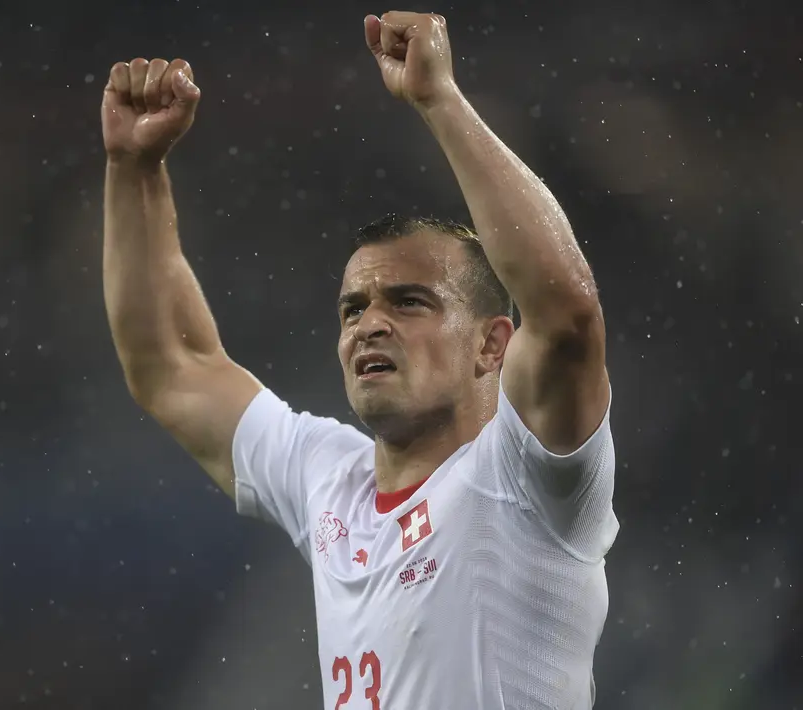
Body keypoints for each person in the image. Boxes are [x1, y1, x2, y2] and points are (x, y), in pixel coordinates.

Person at [101, 10, 617, 710]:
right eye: (353, 308)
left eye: (408, 302)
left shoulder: (526, 480)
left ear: (491, 344)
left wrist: (439, 101)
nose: (369, 325)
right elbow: (170, 366)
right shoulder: (328, 480)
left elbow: (567, 315)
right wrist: (134, 169)